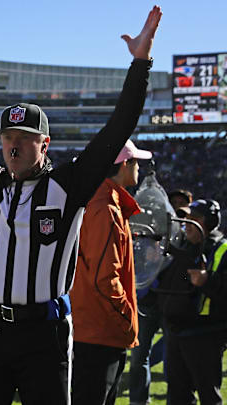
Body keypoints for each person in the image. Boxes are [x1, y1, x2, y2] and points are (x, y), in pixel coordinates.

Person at [0, 6, 161, 404]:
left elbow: (118, 128)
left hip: (44, 336)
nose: (13, 145)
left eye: (24, 138)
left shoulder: (69, 185)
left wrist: (140, 63)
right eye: (8, 136)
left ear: (44, 145)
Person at [70, 140, 152, 405]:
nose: (139, 167)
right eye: (136, 161)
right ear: (125, 164)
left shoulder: (100, 201)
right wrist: (127, 319)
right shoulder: (106, 207)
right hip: (100, 331)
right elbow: (104, 279)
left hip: (92, 327)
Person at [157, 199, 227, 405]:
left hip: (205, 334)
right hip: (176, 331)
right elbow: (171, 283)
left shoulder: (222, 249)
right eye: (186, 219)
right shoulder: (183, 247)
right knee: (177, 395)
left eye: (195, 219)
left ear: (210, 223)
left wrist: (207, 281)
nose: (187, 223)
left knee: (208, 395)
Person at [129, 186, 192, 405]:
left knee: (173, 359)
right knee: (138, 358)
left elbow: (188, 274)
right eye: (172, 206)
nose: (175, 212)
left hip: (171, 302)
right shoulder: (151, 234)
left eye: (181, 210)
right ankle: (138, 401)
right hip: (148, 301)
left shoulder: (188, 240)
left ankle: (175, 399)